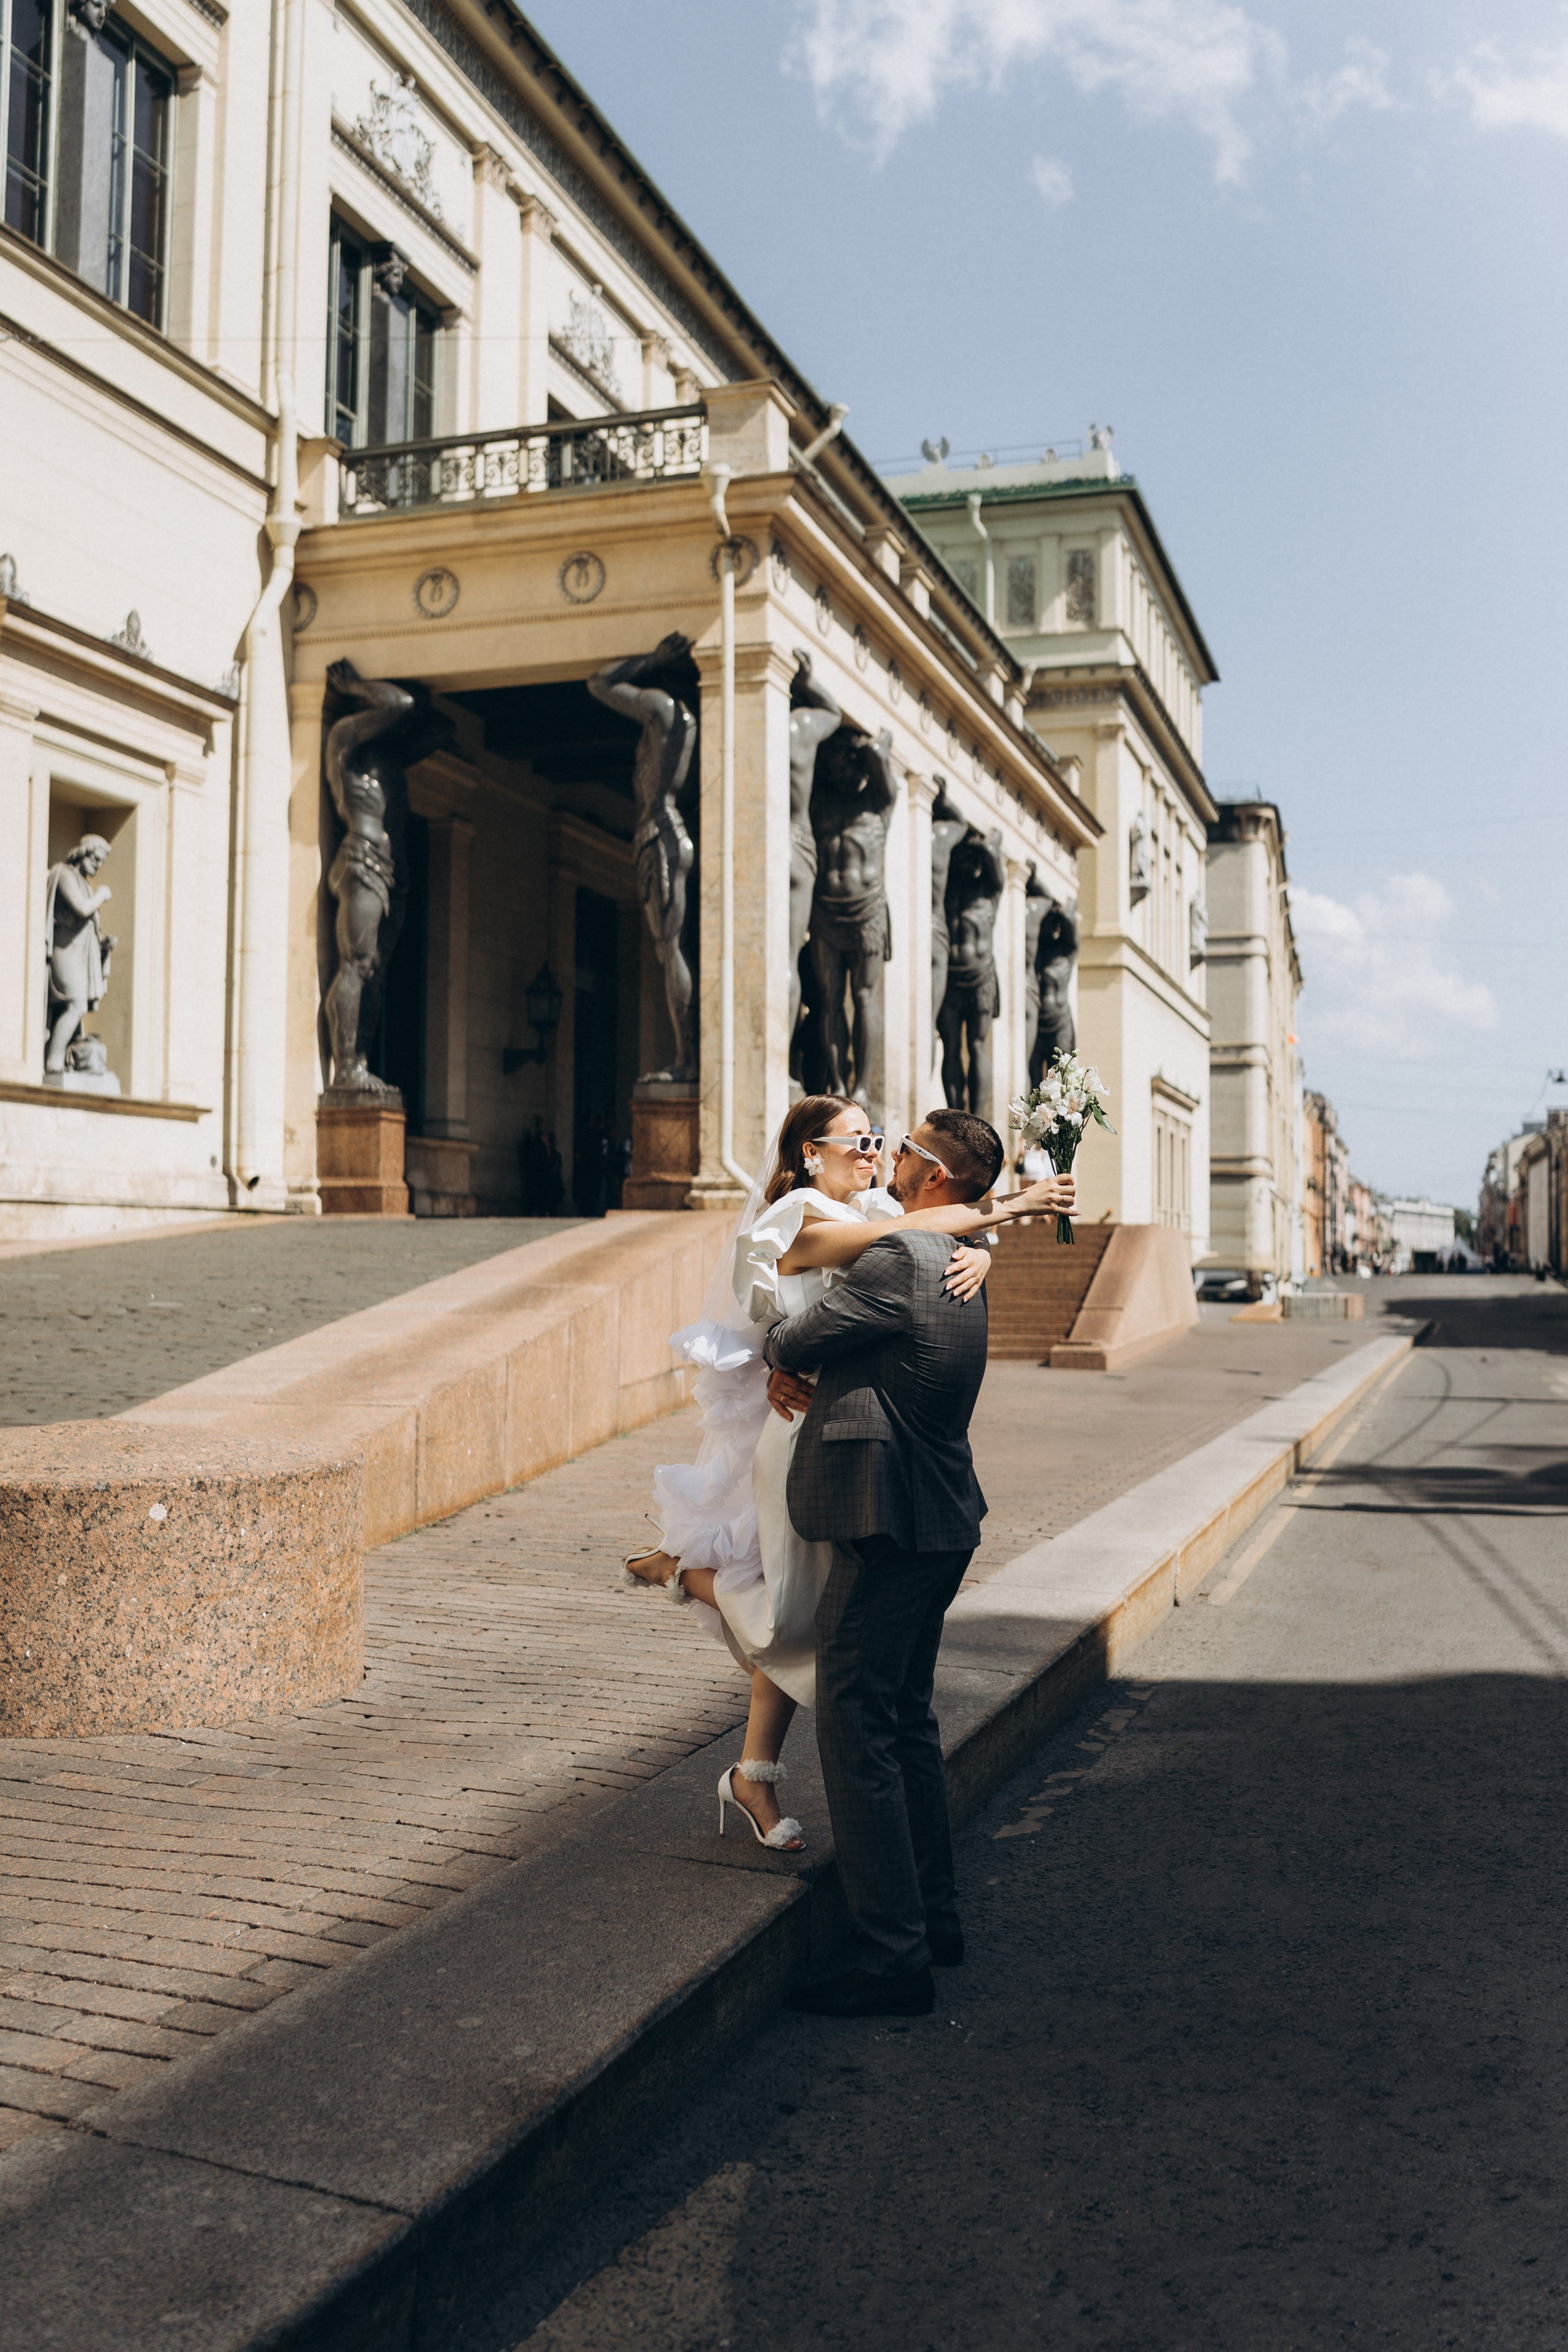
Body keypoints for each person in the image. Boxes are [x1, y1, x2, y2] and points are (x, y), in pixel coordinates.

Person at [622, 1096, 1072, 1850]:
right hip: (801, 1430)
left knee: (810, 1613)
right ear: (808, 1153)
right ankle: (683, 1572)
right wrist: (1010, 1210)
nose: (873, 1152)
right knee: (793, 1614)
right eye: (859, 1141)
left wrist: (985, 1247)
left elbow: (929, 1225)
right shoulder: (796, 1216)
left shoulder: (865, 1204)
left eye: (879, 1140)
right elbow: (910, 1232)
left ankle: (754, 1771)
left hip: (828, 1434)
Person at [764, 1108, 1071, 2019]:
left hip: (887, 1518)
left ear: (934, 1177)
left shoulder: (903, 1258)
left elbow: (790, 1342)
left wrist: (782, 1348)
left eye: (902, 1146)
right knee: (903, 1723)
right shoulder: (960, 1263)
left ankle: (892, 1955)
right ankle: (934, 1918)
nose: (889, 1153)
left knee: (856, 1727)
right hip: (941, 1517)